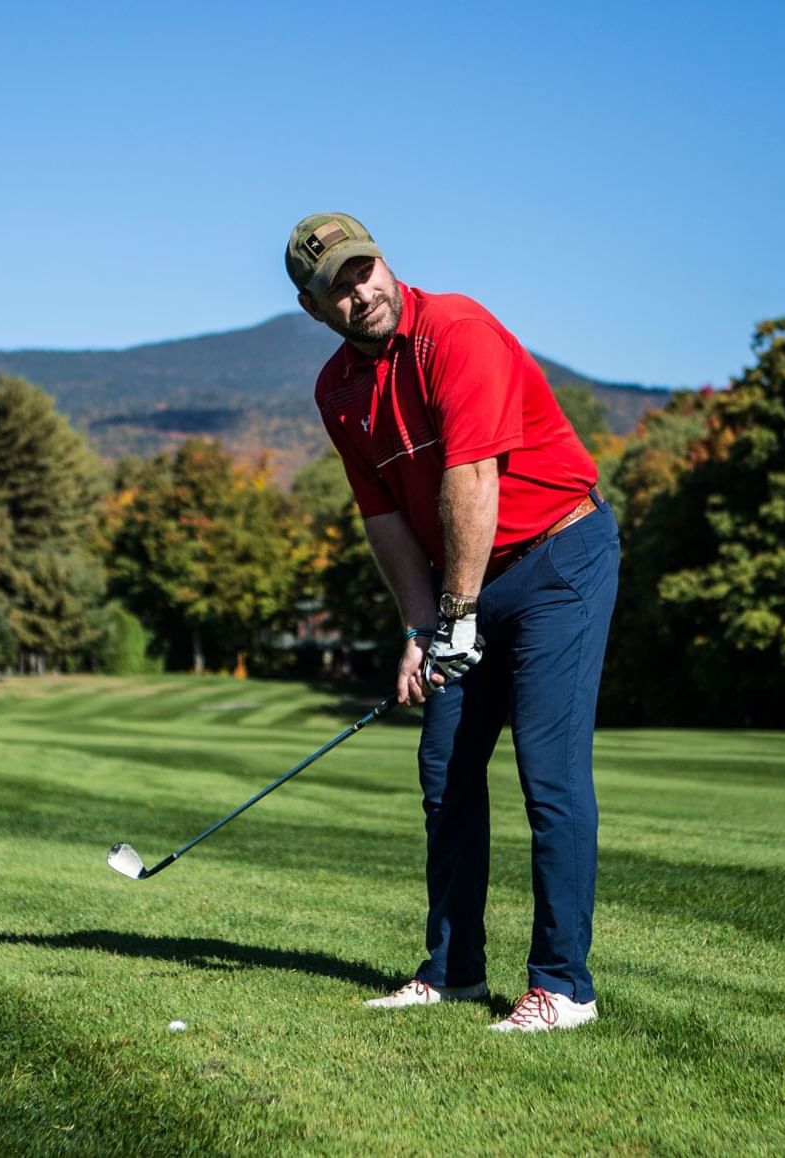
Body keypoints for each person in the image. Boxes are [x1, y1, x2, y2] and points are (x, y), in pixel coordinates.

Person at [287, 212, 619, 1032]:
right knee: (445, 771)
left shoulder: (456, 332)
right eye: (337, 285)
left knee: (548, 773)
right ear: (314, 307)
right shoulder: (337, 391)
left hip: (557, 560)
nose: (360, 290)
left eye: (364, 268)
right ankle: (454, 971)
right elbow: (385, 520)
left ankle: (563, 987)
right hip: (469, 582)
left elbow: (473, 477)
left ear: (384, 262)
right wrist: (418, 626)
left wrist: (456, 616)